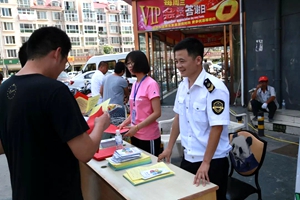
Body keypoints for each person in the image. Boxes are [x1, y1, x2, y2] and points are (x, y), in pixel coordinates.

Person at [0, 27, 110, 200]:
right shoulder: (54, 90)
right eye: (65, 63)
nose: (62, 69)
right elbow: (86, 152)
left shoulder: (5, 89)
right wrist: (100, 124)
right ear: (57, 53)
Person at [157, 38, 231, 200]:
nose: (178, 65)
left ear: (198, 60)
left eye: (182, 61)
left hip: (212, 162)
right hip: (188, 157)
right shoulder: (183, 85)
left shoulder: (214, 88)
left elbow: (217, 128)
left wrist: (206, 162)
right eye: (176, 61)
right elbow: (178, 117)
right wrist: (169, 148)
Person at [118, 50, 161, 156]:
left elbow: (157, 113)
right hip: (134, 133)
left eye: (132, 63)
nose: (130, 66)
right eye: (128, 63)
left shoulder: (151, 84)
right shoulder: (135, 84)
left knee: (150, 166)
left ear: (140, 63)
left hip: (148, 135)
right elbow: (134, 111)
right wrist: (124, 124)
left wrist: (137, 127)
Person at [100, 61, 129, 138]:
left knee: (108, 130)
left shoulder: (106, 78)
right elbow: (127, 93)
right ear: (122, 71)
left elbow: (101, 91)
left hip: (106, 108)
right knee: (119, 131)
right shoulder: (122, 80)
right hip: (117, 109)